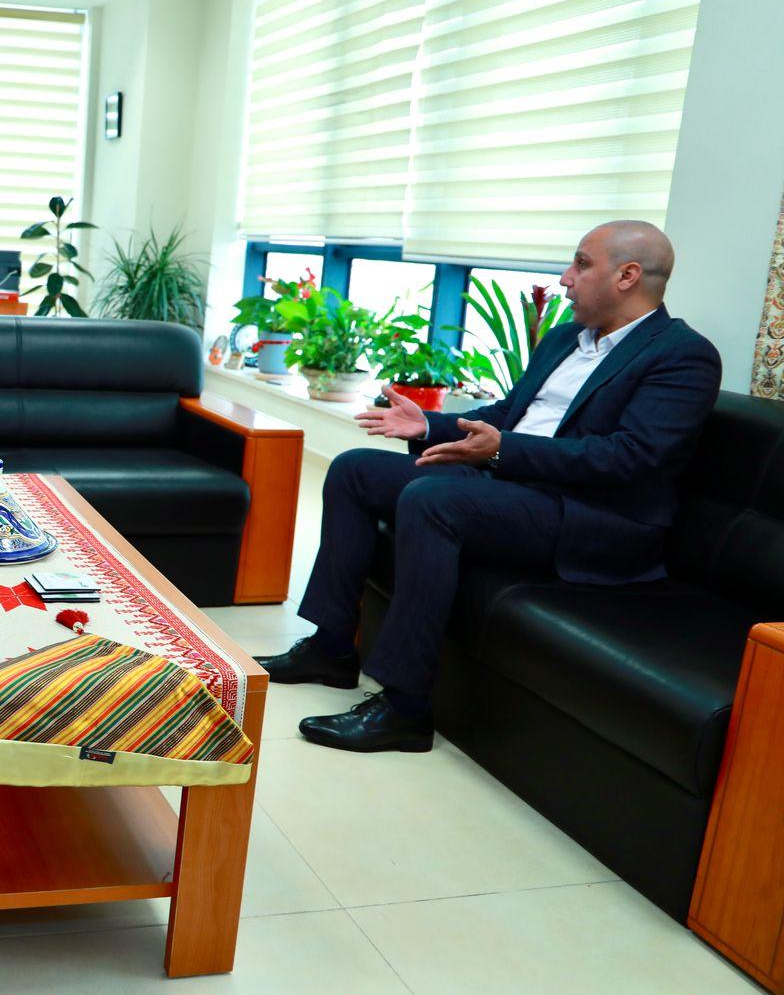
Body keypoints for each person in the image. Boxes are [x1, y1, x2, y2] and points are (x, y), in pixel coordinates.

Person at [258, 220, 721, 753]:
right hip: (513, 484)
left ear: (628, 276)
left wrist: (502, 451)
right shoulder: (564, 338)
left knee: (432, 499)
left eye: (581, 263)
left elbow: (630, 457)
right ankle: (332, 648)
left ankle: (404, 709)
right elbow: (509, 415)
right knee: (355, 470)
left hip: (590, 516)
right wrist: (428, 426)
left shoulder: (682, 355)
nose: (566, 278)